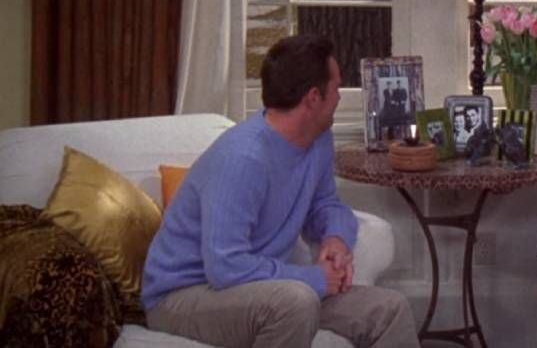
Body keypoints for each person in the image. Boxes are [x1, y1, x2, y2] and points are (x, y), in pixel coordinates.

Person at [142, 35, 419, 348]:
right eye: (337, 88)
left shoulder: (317, 140)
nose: (339, 97)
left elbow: (324, 204)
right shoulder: (242, 159)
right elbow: (225, 267)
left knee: (389, 309)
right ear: (313, 98)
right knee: (296, 302)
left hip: (264, 288)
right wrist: (316, 279)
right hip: (183, 296)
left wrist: (335, 236)